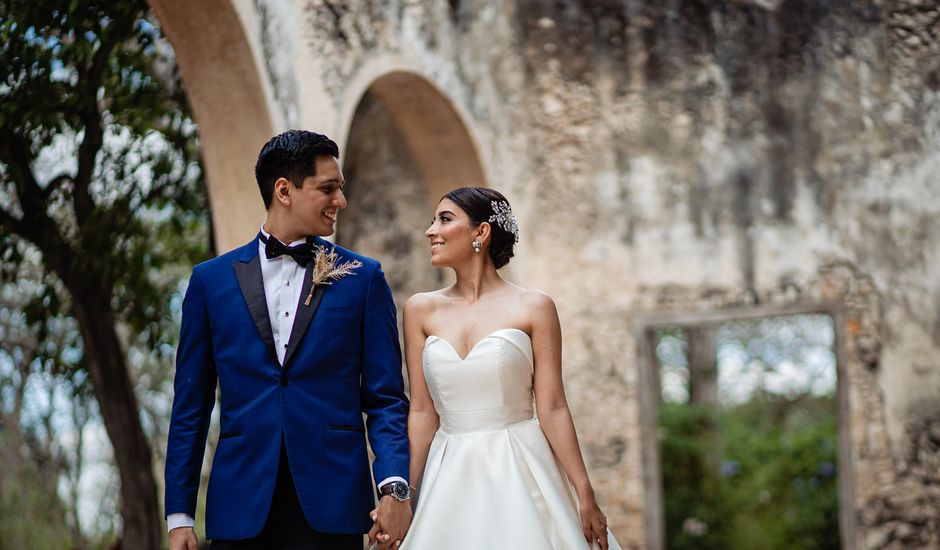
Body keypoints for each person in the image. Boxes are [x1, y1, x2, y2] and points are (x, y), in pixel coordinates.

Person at [164, 130, 412, 550]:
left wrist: (394, 486)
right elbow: (191, 406)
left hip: (332, 507)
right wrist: (179, 515)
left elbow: (386, 398)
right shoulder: (210, 282)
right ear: (284, 190)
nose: (341, 201)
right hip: (239, 508)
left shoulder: (364, 279)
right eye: (328, 188)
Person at [386, 187, 622, 549]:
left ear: (481, 232)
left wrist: (584, 492)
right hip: (448, 471)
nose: (431, 231)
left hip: (520, 464)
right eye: (432, 221)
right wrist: (405, 497)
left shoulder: (534, 307)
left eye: (444, 220)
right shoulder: (420, 309)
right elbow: (421, 412)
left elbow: (553, 406)